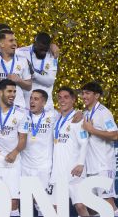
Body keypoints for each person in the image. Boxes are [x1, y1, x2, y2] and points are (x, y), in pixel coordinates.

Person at [0, 79, 29, 217]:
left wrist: (15, 152)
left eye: (14, 91)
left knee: (12, 204)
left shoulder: (21, 114)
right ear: (0, 93)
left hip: (12, 163)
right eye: (9, 91)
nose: (13, 94)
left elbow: (23, 140)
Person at [49, 87, 89, 216]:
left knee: (80, 206)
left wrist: (81, 164)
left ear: (73, 99)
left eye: (66, 97)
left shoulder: (78, 119)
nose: (62, 100)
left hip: (74, 171)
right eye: (60, 97)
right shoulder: (56, 119)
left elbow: (84, 142)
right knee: (56, 209)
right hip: (59, 172)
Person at [80, 81, 118, 214]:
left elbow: (115, 135)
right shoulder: (85, 113)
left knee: (108, 202)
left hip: (103, 165)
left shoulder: (104, 112)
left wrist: (92, 130)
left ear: (97, 96)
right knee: (92, 205)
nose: (84, 96)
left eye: (87, 93)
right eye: (83, 93)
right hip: (90, 166)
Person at [20, 89, 56, 215]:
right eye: (31, 98)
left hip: (43, 167)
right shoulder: (22, 115)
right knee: (26, 204)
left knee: (43, 204)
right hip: (25, 167)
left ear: (44, 102)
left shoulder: (52, 116)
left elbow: (70, 114)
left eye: (36, 99)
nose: (32, 101)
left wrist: (79, 113)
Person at [16, 32, 58, 110]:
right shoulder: (21, 52)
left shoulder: (52, 54)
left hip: (46, 107)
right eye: (41, 49)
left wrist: (33, 74)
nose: (43, 52)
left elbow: (50, 81)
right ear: (35, 43)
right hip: (26, 105)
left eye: (45, 50)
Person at [0, 29, 32, 108]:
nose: (15, 43)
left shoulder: (23, 60)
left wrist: (19, 80)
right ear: (2, 43)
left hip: (18, 107)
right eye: (11, 41)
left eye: (15, 40)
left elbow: (29, 86)